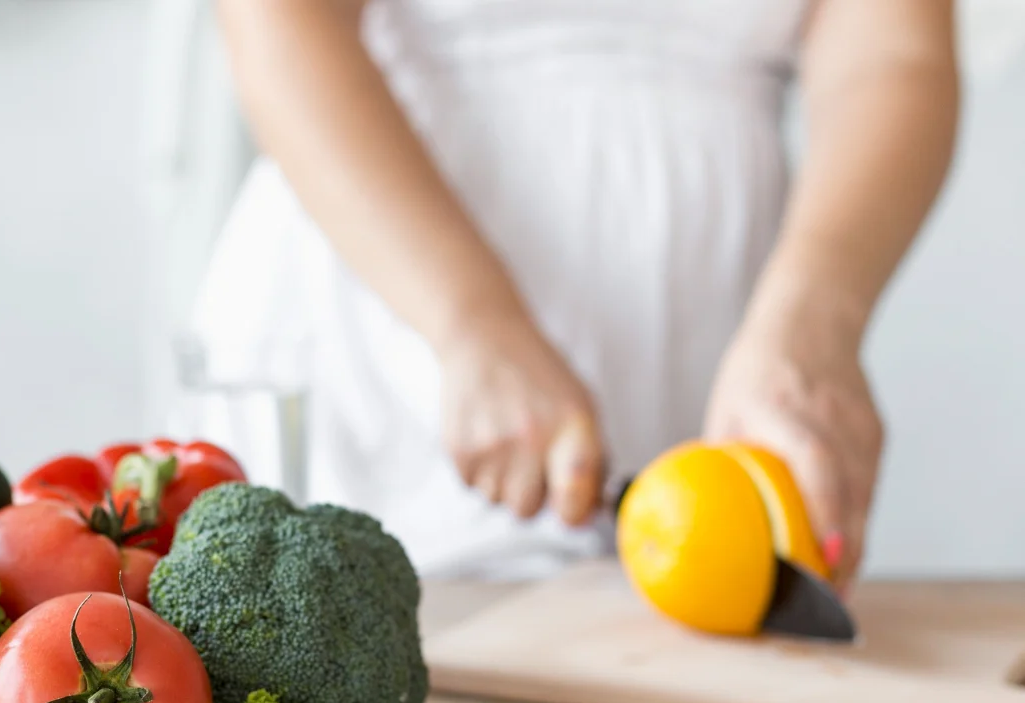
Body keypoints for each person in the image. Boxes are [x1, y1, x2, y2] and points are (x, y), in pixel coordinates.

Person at [189, 0, 958, 587]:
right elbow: (276, 24)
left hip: (706, 362)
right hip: (385, 328)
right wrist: (471, 323)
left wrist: (813, 323)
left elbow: (893, 54)